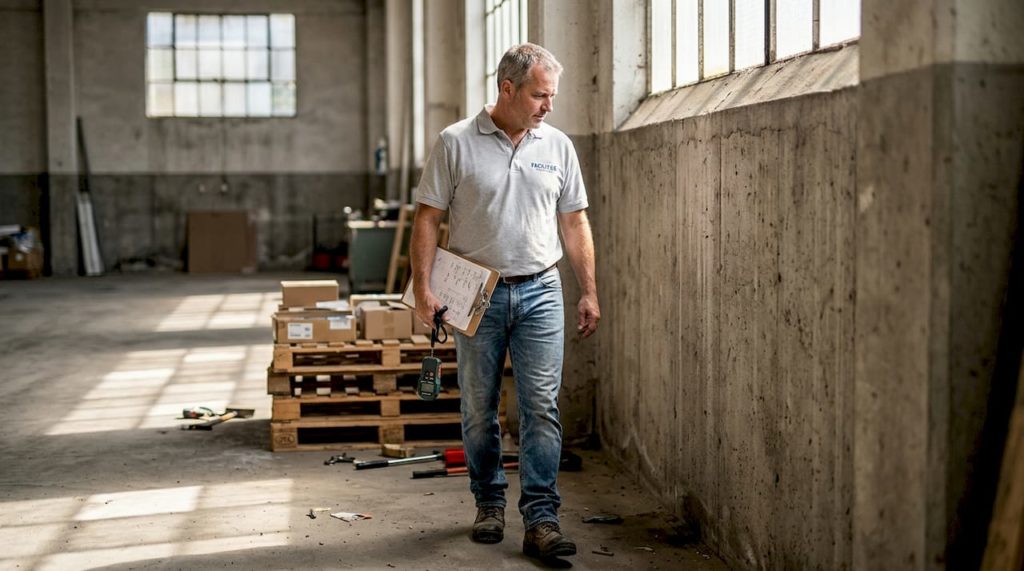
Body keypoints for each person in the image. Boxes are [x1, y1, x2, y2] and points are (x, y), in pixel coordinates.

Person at [410, 43, 600, 561]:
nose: (548, 106)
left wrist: (588, 289)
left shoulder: (557, 145)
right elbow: (427, 217)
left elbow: (574, 221)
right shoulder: (455, 143)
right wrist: (423, 288)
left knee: (541, 406)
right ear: (507, 89)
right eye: (540, 95)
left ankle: (541, 517)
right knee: (478, 409)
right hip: (478, 295)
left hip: (541, 290)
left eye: (552, 95)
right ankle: (489, 503)